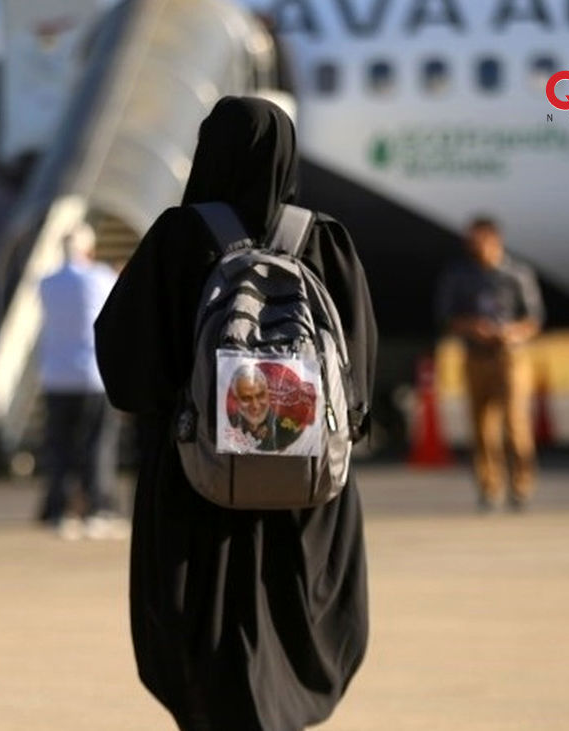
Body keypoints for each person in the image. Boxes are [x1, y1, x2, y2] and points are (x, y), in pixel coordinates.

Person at [95, 97, 376, 731]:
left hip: (196, 481)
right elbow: (359, 371)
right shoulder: (323, 238)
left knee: (204, 644)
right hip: (307, 485)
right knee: (291, 620)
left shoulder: (177, 239)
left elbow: (125, 365)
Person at [435, 217, 545, 512]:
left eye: (481, 241)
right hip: (476, 356)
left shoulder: (517, 274)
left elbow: (534, 318)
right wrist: (473, 328)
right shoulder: (460, 276)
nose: (476, 247)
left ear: (495, 240)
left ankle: (522, 485)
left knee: (516, 424)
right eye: (472, 241)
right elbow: (446, 317)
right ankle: (490, 487)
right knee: (483, 427)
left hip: (510, 357)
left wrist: (513, 332)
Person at [35, 225, 126, 541]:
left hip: (56, 377)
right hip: (92, 376)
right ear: (90, 249)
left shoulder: (46, 283)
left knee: (60, 447)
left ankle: (59, 511)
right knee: (98, 445)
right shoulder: (101, 277)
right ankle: (97, 510)